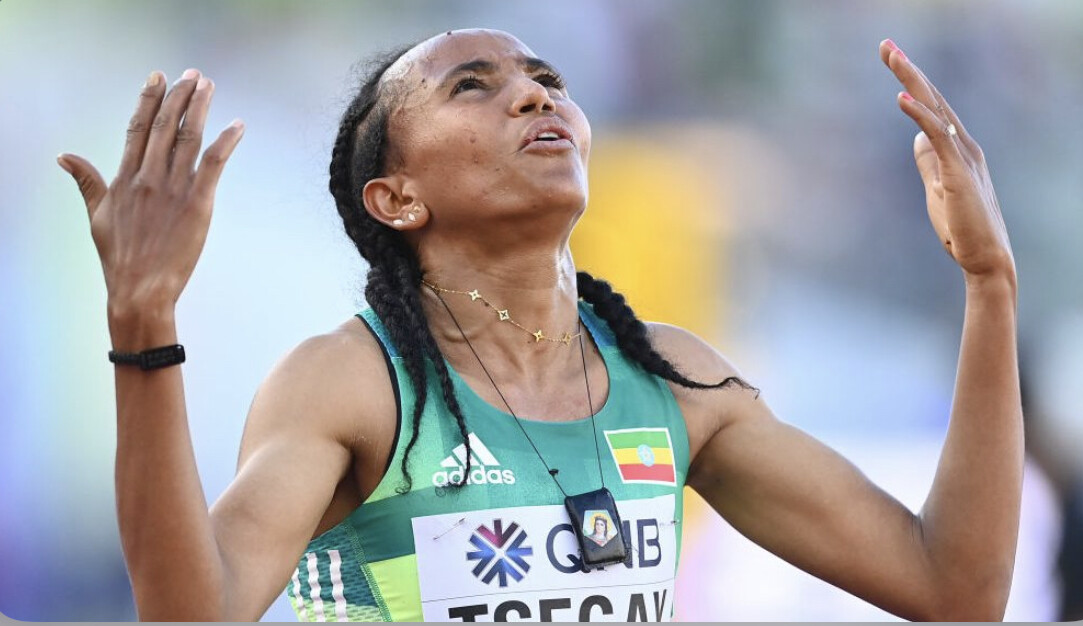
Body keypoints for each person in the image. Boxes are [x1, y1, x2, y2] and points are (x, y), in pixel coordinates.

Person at [57, 29, 1022, 622]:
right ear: (396, 197)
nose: (536, 94)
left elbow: (952, 588)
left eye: (545, 77)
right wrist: (143, 318)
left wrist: (988, 286)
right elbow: (190, 614)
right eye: (471, 86)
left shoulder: (678, 383)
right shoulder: (348, 384)